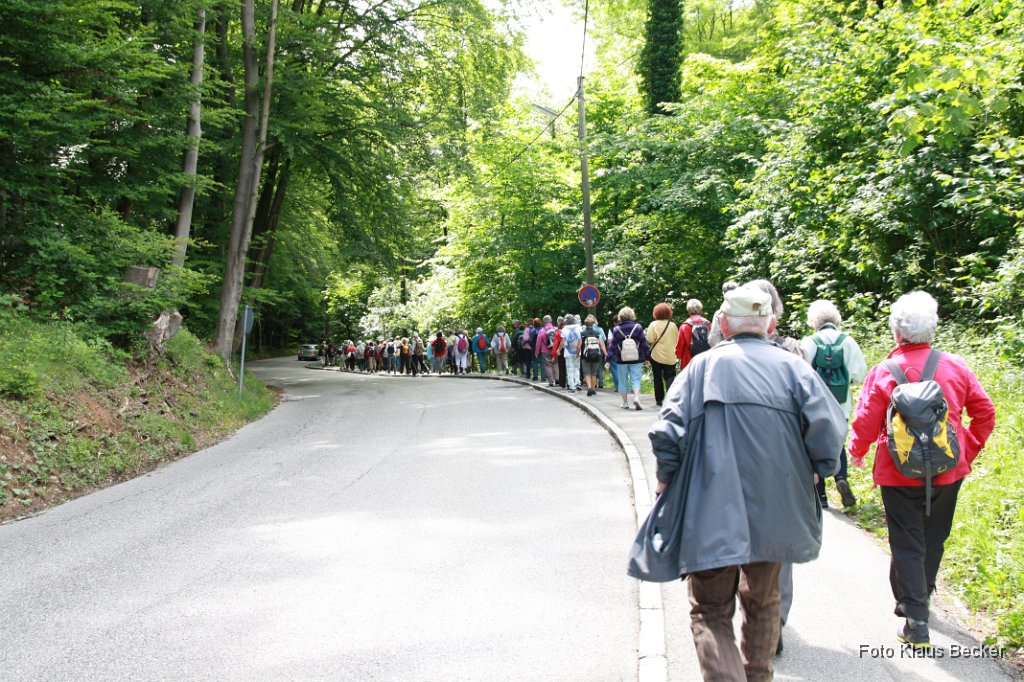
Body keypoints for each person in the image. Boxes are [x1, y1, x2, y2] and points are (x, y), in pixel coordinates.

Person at [648, 285, 846, 681]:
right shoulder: (795, 370)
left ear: (722, 324)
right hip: (778, 502)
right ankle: (757, 674)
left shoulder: (698, 370)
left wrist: (665, 482)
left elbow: (667, 434)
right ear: (771, 323)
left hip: (708, 504)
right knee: (763, 599)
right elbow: (830, 431)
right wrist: (815, 471)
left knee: (709, 609)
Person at [848, 291, 994, 648]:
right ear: (933, 329)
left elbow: (866, 421)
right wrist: (968, 450)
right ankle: (920, 597)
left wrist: (857, 452)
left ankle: (916, 619)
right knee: (934, 537)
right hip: (948, 470)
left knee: (906, 540)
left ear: (897, 332)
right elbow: (985, 412)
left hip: (897, 473)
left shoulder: (883, 371)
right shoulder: (955, 365)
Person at [799, 299, 867, 509]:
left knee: (814, 444)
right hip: (841, 403)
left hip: (815, 403)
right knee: (838, 443)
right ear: (836, 318)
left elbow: (800, 373)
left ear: (814, 320)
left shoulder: (809, 341)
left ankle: (820, 496)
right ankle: (841, 477)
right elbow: (859, 374)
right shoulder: (847, 342)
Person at [605, 307, 651, 410]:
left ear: (620, 317)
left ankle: (625, 403)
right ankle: (636, 398)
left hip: (621, 360)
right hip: (636, 359)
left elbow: (612, 346)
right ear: (632, 315)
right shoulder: (638, 327)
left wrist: (608, 360)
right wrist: (647, 358)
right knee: (636, 379)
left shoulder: (616, 329)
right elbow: (644, 344)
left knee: (622, 381)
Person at [645, 302, 679, 408]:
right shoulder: (672, 325)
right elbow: (677, 340)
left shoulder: (653, 324)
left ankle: (659, 400)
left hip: (656, 356)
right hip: (671, 356)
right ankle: (670, 398)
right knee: (670, 377)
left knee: (657, 378)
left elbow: (650, 339)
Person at [675, 299, 711, 372]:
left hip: (688, 362)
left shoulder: (684, 326)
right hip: (706, 361)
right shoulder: (709, 324)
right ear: (700, 309)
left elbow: (680, 346)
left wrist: (678, 356)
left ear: (688, 310)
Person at [579, 314, 606, 396]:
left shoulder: (582, 333)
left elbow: (579, 344)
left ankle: (589, 388)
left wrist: (577, 353)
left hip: (585, 356)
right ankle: (593, 389)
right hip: (596, 356)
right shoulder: (597, 333)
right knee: (594, 373)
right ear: (593, 323)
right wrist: (606, 353)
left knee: (587, 373)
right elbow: (601, 344)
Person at [708, 280, 740, 348]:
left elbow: (714, 338)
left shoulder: (719, 314)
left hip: (726, 350)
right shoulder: (748, 310)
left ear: (723, 294)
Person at [561, 315, 583, 392]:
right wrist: (578, 350)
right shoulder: (579, 328)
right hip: (577, 351)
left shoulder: (564, 330)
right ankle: (578, 383)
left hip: (568, 352)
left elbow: (563, 341)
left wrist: (558, 349)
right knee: (577, 368)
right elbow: (580, 341)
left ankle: (572, 386)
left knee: (570, 369)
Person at [535, 315, 557, 386]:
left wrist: (537, 352)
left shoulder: (542, 331)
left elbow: (538, 342)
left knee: (548, 366)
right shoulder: (555, 329)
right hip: (555, 350)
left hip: (545, 351)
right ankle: (557, 379)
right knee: (555, 364)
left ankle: (551, 382)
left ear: (544, 322)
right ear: (551, 321)